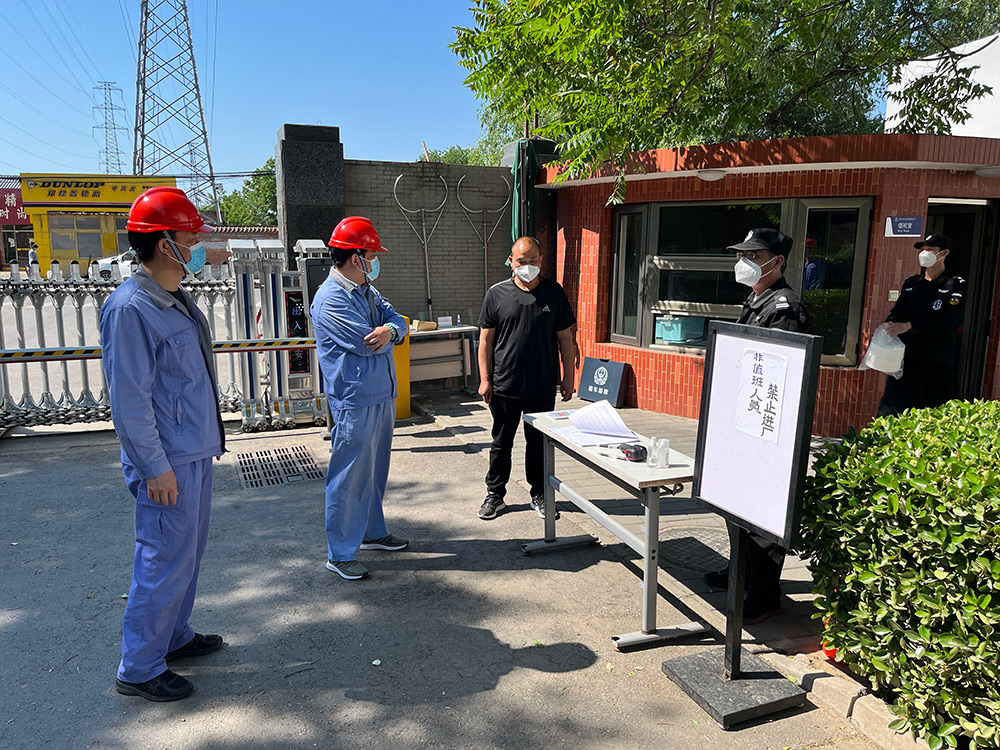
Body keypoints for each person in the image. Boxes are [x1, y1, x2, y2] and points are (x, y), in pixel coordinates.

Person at [100, 186, 224, 702]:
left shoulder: (175, 299)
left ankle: (172, 635)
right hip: (167, 461)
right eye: (190, 236)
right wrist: (155, 468)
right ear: (163, 243)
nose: (198, 244)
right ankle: (139, 666)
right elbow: (130, 402)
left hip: (192, 450)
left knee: (186, 555)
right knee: (161, 560)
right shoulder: (130, 308)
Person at [703, 227, 810, 623]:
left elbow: (777, 374)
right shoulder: (756, 299)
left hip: (767, 430)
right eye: (742, 254)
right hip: (744, 422)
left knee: (761, 517)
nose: (744, 262)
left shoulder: (784, 307)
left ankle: (765, 595)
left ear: (777, 262)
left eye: (754, 255)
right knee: (735, 505)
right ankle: (740, 571)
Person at [311, 216, 409, 581]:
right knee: (349, 477)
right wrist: (389, 333)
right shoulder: (330, 299)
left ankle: (371, 532)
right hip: (355, 399)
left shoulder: (366, 290)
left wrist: (392, 330)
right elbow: (367, 342)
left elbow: (397, 321)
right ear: (356, 258)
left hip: (380, 394)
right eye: (372, 255)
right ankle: (340, 553)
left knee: (374, 473)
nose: (375, 261)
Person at [477, 236, 577, 521]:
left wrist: (568, 377)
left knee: (538, 445)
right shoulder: (497, 294)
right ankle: (495, 495)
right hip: (505, 385)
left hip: (542, 385)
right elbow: (485, 341)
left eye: (533, 261)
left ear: (541, 260)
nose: (527, 266)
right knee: (501, 443)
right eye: (521, 261)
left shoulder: (554, 293)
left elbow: (565, 338)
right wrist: (485, 379)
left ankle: (540, 493)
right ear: (512, 261)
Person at [876, 234, 966, 417]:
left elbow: (947, 320)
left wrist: (910, 325)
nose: (924, 253)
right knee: (892, 408)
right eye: (922, 249)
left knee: (935, 411)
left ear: (944, 253)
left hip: (936, 360)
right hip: (906, 359)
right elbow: (898, 312)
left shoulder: (954, 284)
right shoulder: (912, 284)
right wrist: (888, 326)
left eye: (930, 250)